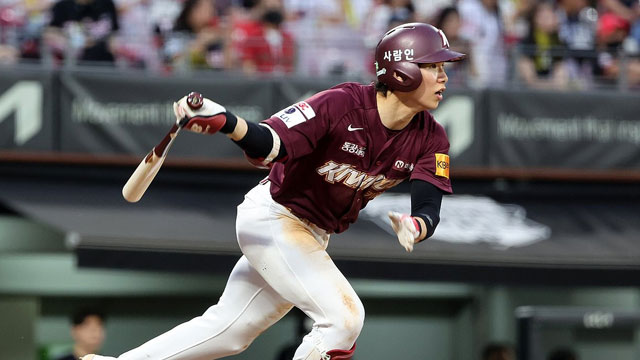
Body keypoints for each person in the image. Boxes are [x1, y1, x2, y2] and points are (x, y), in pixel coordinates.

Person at [83, 22, 464, 360]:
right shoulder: (342, 104)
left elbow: (429, 205)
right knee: (344, 320)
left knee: (229, 331)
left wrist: (417, 226)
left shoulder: (432, 136)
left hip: (312, 235)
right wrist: (229, 123)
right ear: (402, 71)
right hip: (275, 217)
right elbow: (271, 145)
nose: (444, 77)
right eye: (434, 66)